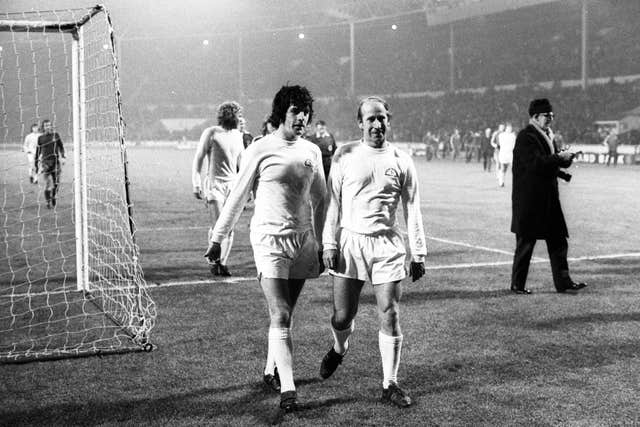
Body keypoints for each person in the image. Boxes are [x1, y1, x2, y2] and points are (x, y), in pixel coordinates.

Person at [204, 85, 326, 413]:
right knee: (281, 313)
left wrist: (323, 243)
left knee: (286, 314)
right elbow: (239, 194)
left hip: (302, 242)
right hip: (269, 241)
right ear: (281, 113)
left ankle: (271, 370)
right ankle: (288, 390)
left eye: (306, 112)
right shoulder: (261, 148)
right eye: (295, 111)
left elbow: (321, 199)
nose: (302, 117)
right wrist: (218, 238)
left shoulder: (311, 152)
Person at [319, 96, 426, 408]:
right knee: (342, 316)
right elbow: (333, 203)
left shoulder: (402, 159)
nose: (377, 124)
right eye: (371, 119)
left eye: (382, 118)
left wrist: (418, 252)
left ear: (388, 120)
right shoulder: (345, 154)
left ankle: (389, 383)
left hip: (387, 245)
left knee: (390, 312)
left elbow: (413, 207)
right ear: (360, 123)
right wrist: (329, 243)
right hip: (350, 242)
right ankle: (339, 349)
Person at [510, 98, 586, 295]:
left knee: (559, 240)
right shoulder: (526, 136)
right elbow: (535, 164)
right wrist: (558, 158)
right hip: (530, 200)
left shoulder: (547, 135)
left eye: (552, 115)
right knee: (526, 244)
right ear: (535, 116)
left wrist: (566, 159)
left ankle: (563, 282)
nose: (550, 119)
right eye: (547, 115)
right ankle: (517, 284)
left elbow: (549, 163)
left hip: (547, 199)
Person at [192, 101, 245, 277]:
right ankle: (213, 262)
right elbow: (198, 158)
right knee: (218, 226)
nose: (238, 117)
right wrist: (196, 183)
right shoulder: (211, 132)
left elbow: (242, 163)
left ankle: (222, 262)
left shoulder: (238, 135)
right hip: (215, 186)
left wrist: (247, 188)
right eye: (236, 114)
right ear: (227, 115)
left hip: (233, 186)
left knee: (228, 227)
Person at [34, 119, 65, 209]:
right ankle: (48, 203)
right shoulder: (40, 138)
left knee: (56, 183)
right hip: (45, 163)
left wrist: (63, 157)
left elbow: (61, 147)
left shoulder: (56, 135)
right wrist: (36, 165)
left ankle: (54, 196)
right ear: (43, 127)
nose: (47, 127)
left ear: (51, 126)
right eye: (46, 125)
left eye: (49, 125)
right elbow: (38, 152)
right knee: (48, 183)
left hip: (56, 162)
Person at [496, 123, 516, 187]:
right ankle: (501, 182)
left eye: (510, 129)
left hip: (510, 154)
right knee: (503, 169)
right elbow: (499, 143)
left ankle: (515, 182)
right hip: (503, 154)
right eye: (508, 128)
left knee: (513, 169)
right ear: (506, 129)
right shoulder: (501, 135)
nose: (509, 130)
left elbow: (514, 144)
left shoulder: (513, 136)